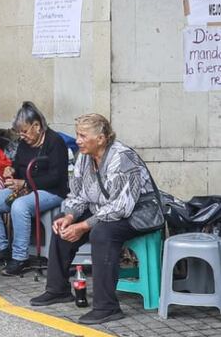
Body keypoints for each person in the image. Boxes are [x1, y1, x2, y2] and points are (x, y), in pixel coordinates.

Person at [29, 113, 162, 324]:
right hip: (104, 210)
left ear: (101, 138)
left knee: (102, 233)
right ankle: (58, 289)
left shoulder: (122, 157)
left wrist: (84, 225)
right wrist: (71, 216)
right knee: (63, 222)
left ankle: (107, 307)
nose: (78, 140)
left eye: (83, 136)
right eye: (77, 135)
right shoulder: (84, 157)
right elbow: (79, 194)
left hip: (136, 213)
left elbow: (121, 207)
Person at [0, 102, 68, 276]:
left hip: (52, 191)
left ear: (37, 126)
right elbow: (19, 165)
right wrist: (11, 169)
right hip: (26, 188)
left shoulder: (55, 142)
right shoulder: (24, 143)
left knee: (19, 206)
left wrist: (26, 184)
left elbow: (56, 177)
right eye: (20, 132)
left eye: (25, 131)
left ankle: (20, 258)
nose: (22, 135)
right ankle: (1, 249)